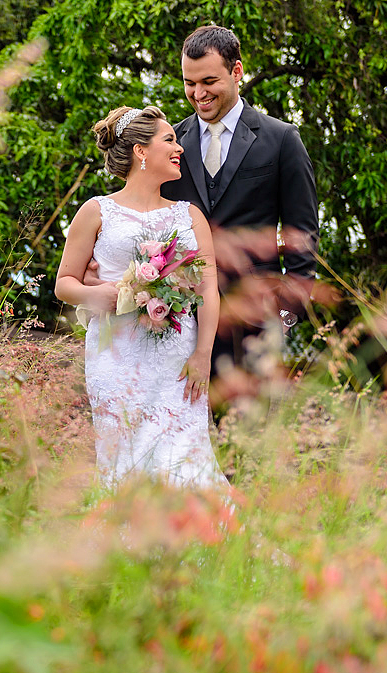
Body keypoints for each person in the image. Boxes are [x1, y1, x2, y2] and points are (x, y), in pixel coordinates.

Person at [55, 105, 228, 490]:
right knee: (127, 465)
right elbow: (64, 283)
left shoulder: (190, 216)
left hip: (177, 363)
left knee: (187, 464)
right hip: (115, 359)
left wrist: (203, 355)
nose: (179, 148)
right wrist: (97, 294)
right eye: (170, 140)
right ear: (141, 151)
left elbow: (208, 290)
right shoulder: (96, 211)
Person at [163, 24, 319, 375]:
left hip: (255, 322)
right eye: (189, 83)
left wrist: (286, 315)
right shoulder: (171, 143)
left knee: (247, 413)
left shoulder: (282, 139)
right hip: (179, 320)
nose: (198, 94)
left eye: (209, 81)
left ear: (237, 71)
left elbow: (302, 233)